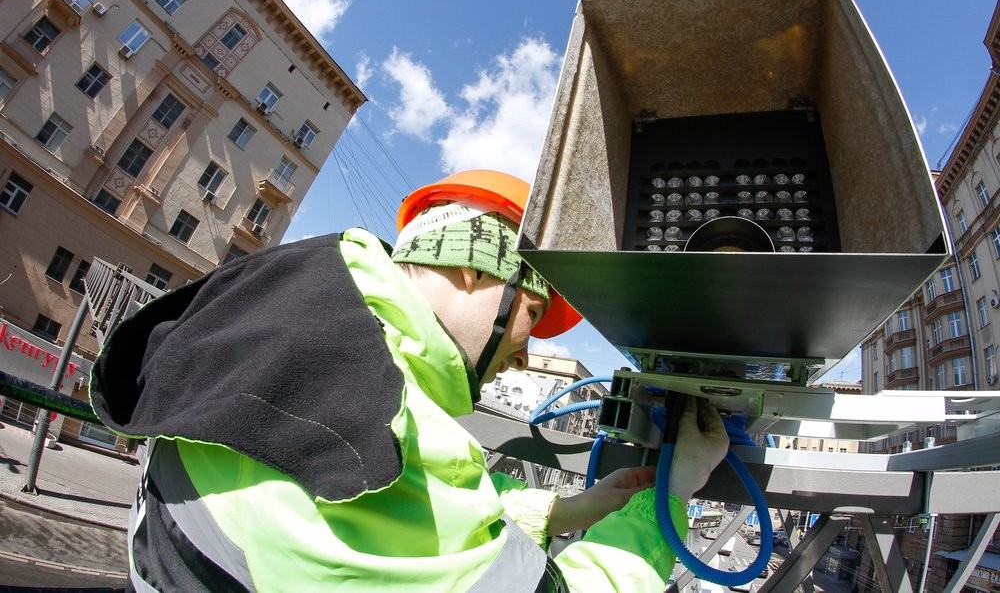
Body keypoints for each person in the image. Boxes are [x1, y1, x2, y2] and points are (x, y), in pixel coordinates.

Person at [90, 169, 729, 592]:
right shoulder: (379, 427)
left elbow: (421, 522)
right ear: (479, 270)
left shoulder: (294, 311)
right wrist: (667, 496)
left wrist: (567, 509)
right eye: (532, 314)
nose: (527, 356)